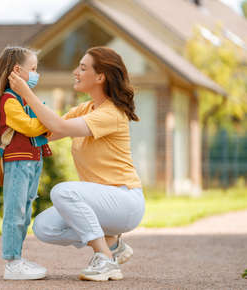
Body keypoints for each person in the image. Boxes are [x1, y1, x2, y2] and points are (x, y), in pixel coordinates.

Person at [8, 46, 145, 282]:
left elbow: (60, 128)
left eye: (83, 68)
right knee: (43, 227)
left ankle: (104, 259)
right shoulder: (86, 109)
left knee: (63, 191)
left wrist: (26, 93)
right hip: (101, 204)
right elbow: (48, 131)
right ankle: (112, 244)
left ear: (100, 77)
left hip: (125, 200)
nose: (76, 72)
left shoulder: (111, 113)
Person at [0, 46, 52, 280]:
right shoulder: (8, 100)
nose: (36, 74)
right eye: (33, 69)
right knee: (15, 211)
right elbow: (30, 126)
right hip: (18, 162)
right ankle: (12, 262)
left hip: (33, 160)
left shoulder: (24, 99)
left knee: (25, 212)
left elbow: (36, 123)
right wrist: (48, 120)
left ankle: (18, 258)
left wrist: (44, 118)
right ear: (17, 70)